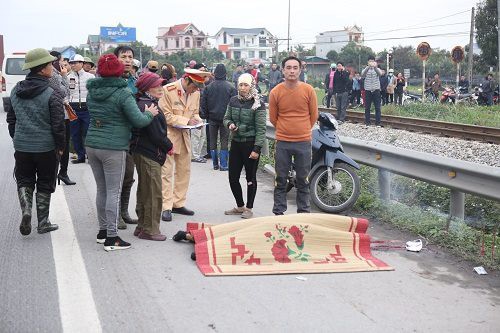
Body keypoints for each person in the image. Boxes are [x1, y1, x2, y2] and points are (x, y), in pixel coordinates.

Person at [85, 54, 159, 251]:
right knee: (113, 192)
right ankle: (112, 237)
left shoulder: (92, 91)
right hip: (114, 147)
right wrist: (150, 113)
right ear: (119, 71)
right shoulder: (123, 92)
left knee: (102, 190)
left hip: (92, 144)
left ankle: (102, 232)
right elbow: (139, 121)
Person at [6, 48, 65, 235]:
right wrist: (61, 146)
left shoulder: (16, 90)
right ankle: (43, 222)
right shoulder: (51, 93)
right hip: (45, 147)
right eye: (49, 65)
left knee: (24, 179)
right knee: (45, 182)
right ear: (41, 69)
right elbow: (58, 125)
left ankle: (25, 211)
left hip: (22, 146)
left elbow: (11, 119)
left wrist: (17, 137)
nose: (52, 67)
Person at [159, 68, 211, 222]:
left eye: (198, 88)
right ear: (187, 80)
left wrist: (197, 121)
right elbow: (165, 116)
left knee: (184, 171)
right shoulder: (168, 90)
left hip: (185, 135)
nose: (196, 90)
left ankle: (178, 203)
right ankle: (166, 206)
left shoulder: (195, 93)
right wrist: (187, 121)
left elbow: (194, 112)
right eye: (194, 86)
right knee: (166, 172)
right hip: (169, 136)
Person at [269, 56, 319, 215]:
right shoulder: (275, 92)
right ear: (283, 70)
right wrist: (285, 129)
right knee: (280, 179)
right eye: (288, 68)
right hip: (282, 142)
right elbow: (273, 118)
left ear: (300, 70)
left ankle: (303, 213)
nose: (292, 71)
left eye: (295, 68)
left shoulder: (308, 90)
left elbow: (313, 116)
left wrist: (302, 129)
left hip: (303, 142)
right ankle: (278, 212)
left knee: (303, 180)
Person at [130, 72, 173, 241]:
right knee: (153, 192)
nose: (160, 88)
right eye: (156, 85)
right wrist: (169, 146)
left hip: (141, 151)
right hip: (149, 153)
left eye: (161, 85)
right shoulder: (149, 106)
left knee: (144, 190)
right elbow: (156, 135)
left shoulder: (142, 102)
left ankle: (141, 226)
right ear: (147, 88)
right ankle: (150, 229)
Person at [223, 73, 266, 219]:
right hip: (236, 143)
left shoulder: (257, 103)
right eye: (240, 85)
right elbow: (226, 118)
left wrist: (257, 149)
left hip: (250, 144)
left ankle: (249, 208)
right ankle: (240, 206)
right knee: (232, 177)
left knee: (250, 177)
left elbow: (261, 129)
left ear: (251, 85)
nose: (243, 88)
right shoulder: (233, 100)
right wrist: (230, 124)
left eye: (246, 85)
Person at [114, 45, 139, 229]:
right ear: (116, 59)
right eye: (124, 56)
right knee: (115, 178)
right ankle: (114, 215)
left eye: (130, 56)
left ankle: (123, 211)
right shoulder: (110, 80)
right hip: (114, 136)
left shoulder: (134, 80)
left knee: (129, 176)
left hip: (132, 136)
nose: (128, 60)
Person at [200, 64, 236, 171]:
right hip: (226, 119)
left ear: (214, 74)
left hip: (212, 119)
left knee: (212, 140)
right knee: (224, 140)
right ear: (225, 74)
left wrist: (206, 116)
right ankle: (224, 165)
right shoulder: (231, 87)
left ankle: (215, 164)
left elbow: (203, 104)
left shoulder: (208, 87)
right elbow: (234, 104)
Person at [48, 51, 75, 186]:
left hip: (60, 113)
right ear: (56, 60)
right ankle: (61, 173)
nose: (63, 63)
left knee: (62, 144)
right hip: (60, 114)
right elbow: (64, 92)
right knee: (62, 144)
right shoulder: (53, 74)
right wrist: (64, 76)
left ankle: (61, 173)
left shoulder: (52, 72)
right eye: (62, 60)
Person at [67, 54, 95, 164]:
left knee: (88, 132)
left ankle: (90, 155)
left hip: (86, 108)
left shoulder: (90, 77)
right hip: (73, 108)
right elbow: (66, 93)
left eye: (75, 63)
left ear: (82, 63)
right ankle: (80, 155)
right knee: (75, 133)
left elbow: (93, 93)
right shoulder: (68, 77)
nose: (72, 65)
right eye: (71, 63)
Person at [361, 57, 382, 126]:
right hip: (368, 90)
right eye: (370, 61)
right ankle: (367, 122)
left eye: (372, 61)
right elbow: (362, 75)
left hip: (376, 90)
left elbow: (380, 74)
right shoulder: (365, 69)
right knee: (367, 107)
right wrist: (368, 67)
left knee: (377, 107)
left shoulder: (377, 69)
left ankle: (378, 123)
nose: (371, 63)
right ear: (367, 62)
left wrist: (375, 67)